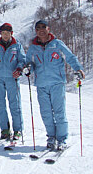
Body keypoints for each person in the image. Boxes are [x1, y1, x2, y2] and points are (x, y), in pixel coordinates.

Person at [26, 20, 85, 150]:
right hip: (41, 84)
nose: (41, 30)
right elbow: (27, 61)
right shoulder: (33, 47)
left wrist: (78, 68)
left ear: (48, 29)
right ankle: (51, 136)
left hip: (57, 82)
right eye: (38, 28)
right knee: (46, 112)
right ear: (35, 31)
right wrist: (27, 68)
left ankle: (62, 139)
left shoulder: (57, 44)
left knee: (59, 111)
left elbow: (70, 56)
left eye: (43, 27)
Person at [0, 23, 26, 140]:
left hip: (12, 78)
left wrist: (19, 69)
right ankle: (5, 129)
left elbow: (22, 60)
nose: (5, 36)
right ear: (0, 33)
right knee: (0, 105)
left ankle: (18, 130)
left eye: (7, 33)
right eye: (3, 33)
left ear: (11, 34)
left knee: (15, 104)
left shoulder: (17, 46)